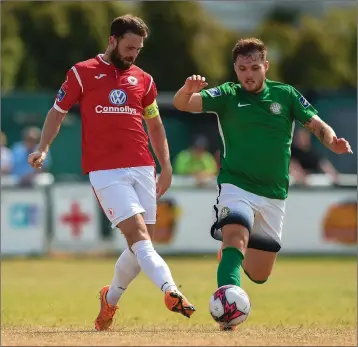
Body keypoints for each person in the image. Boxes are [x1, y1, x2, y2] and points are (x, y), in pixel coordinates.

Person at [28, 14, 195, 331]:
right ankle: (171, 290)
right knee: (139, 238)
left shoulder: (143, 80)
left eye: (138, 49)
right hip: (105, 171)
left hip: (143, 166)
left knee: (138, 246)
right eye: (129, 47)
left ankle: (110, 300)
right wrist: (44, 147)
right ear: (113, 40)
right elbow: (57, 111)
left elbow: (155, 125)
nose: (133, 54)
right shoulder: (81, 73)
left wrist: (167, 166)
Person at [173, 38, 352, 327]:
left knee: (259, 274)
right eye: (242, 68)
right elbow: (183, 104)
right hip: (236, 185)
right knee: (236, 236)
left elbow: (317, 124)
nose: (249, 74)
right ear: (235, 69)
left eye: (255, 67)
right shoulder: (227, 94)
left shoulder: (286, 95)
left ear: (266, 66)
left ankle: (232, 255)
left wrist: (333, 142)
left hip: (273, 194)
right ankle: (227, 311)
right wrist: (186, 90)